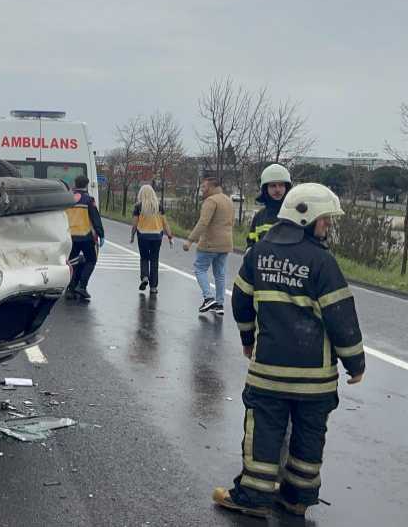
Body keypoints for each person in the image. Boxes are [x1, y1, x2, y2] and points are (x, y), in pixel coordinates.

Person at [213, 183, 365, 519]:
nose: (327, 225)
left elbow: (239, 300)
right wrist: (355, 363)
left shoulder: (258, 254)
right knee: (309, 436)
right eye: (324, 220)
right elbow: (341, 316)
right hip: (315, 380)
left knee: (264, 432)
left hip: (268, 373)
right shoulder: (322, 262)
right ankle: (297, 496)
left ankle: (253, 497)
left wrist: (247, 340)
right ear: (305, 217)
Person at [183, 177, 234, 314]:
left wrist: (190, 240)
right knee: (220, 274)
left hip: (210, 243)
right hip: (226, 243)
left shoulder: (211, 201)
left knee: (200, 269)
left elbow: (203, 222)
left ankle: (208, 298)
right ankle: (219, 304)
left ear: (212, 187)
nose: (202, 190)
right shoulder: (228, 200)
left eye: (204, 187)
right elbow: (231, 222)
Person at [66, 174, 105, 301]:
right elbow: (95, 218)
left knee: (72, 263)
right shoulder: (89, 200)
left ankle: (70, 289)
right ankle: (82, 286)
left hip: (70, 236)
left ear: (75, 184)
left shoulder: (68, 199)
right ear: (86, 185)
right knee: (91, 260)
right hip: (86, 236)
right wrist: (100, 234)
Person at [129, 185, 174, 294]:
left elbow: (135, 224)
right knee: (154, 260)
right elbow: (165, 223)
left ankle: (145, 277)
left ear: (141, 194)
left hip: (143, 236)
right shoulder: (159, 206)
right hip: (157, 236)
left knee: (144, 258)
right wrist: (170, 236)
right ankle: (153, 287)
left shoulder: (138, 206)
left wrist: (132, 235)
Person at [247, 163, 292, 249]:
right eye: (273, 186)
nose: (277, 190)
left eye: (281, 185)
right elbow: (251, 243)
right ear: (265, 189)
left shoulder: (294, 215)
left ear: (287, 188)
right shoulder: (259, 216)